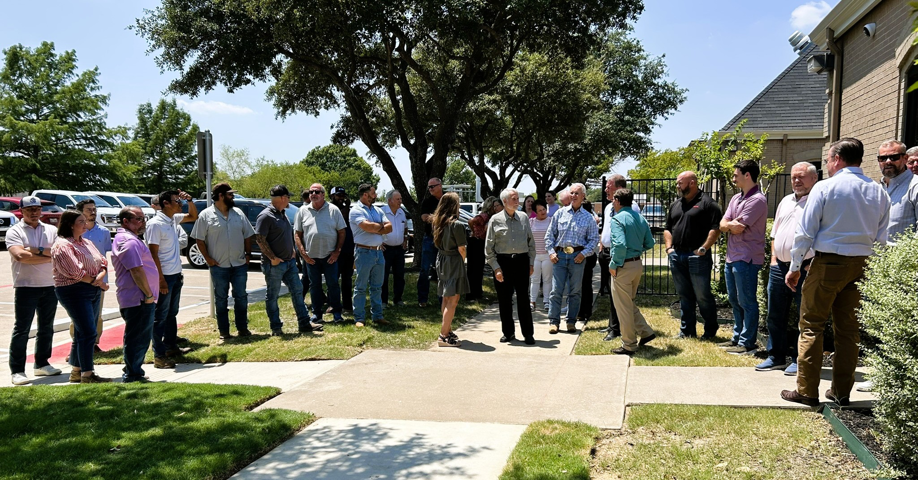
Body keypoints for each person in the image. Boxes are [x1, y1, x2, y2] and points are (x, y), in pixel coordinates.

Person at [781, 138, 890, 407]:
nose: (827, 165)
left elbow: (805, 232)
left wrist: (794, 268)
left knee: (811, 326)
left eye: (828, 160)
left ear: (837, 159)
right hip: (861, 264)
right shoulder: (878, 191)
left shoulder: (826, 187)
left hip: (829, 263)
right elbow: (882, 236)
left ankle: (807, 390)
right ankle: (841, 392)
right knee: (848, 332)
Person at [756, 162, 818, 374]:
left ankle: (799, 359)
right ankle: (776, 356)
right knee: (775, 313)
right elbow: (775, 232)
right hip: (779, 267)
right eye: (793, 177)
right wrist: (774, 257)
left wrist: (811, 262)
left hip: (806, 268)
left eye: (801, 177)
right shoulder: (785, 201)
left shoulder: (818, 201)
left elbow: (823, 234)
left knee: (804, 315)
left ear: (814, 178)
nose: (796, 181)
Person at [52, 209, 110, 383]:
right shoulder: (62, 245)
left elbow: (103, 261)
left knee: (81, 332)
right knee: (88, 332)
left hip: (92, 288)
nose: (85, 225)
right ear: (70, 225)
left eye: (85, 221)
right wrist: (97, 281)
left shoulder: (85, 242)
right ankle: (87, 374)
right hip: (74, 291)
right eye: (81, 222)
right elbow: (74, 272)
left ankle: (77, 371)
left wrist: (99, 279)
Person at [7, 196, 61, 385]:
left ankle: (41, 363)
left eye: (37, 209)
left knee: (46, 327)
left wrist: (34, 250)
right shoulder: (15, 231)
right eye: (29, 209)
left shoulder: (51, 230)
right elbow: (20, 255)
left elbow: (58, 252)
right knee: (22, 329)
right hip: (26, 286)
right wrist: (47, 254)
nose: (34, 212)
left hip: (50, 285)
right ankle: (17, 370)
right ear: (21, 211)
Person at [191, 182, 256, 340]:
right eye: (230, 194)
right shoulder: (206, 215)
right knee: (221, 299)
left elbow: (248, 235)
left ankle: (242, 328)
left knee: (241, 297)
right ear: (220, 196)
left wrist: (248, 255)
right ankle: (224, 332)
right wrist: (208, 259)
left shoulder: (238, 213)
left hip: (239, 264)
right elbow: (199, 239)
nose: (233, 197)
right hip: (219, 266)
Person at [664, 171, 722, 339]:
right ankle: (687, 331)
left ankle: (710, 330)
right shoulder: (676, 205)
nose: (677, 186)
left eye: (680, 183)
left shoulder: (708, 204)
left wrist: (703, 248)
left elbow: (715, 228)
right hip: (677, 255)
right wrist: (669, 249)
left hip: (698, 257)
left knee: (702, 295)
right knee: (684, 295)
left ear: (692, 183)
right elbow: (668, 228)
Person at [718, 160, 767, 355]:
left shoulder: (757, 200)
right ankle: (737, 338)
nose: (733, 178)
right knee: (734, 300)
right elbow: (724, 224)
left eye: (736, 174)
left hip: (747, 258)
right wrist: (729, 225)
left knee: (747, 301)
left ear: (748, 175)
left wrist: (728, 225)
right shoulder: (736, 199)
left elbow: (738, 228)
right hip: (732, 257)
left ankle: (748, 342)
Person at [145, 190, 197, 364]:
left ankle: (170, 346)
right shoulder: (155, 224)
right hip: (164, 276)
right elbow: (153, 255)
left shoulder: (173, 220)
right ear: (166, 203)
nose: (179, 203)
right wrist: (160, 280)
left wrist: (189, 199)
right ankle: (159, 355)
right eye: (177, 200)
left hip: (176, 274)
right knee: (160, 316)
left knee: (171, 313)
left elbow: (193, 216)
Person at [263, 185, 323, 334]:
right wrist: (273, 258)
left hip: (289, 263)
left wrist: (292, 252)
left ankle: (304, 323)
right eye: (288, 197)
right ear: (283, 198)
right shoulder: (265, 216)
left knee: (297, 291)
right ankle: (276, 327)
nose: (289, 200)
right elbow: (259, 239)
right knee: (272, 295)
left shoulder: (282, 214)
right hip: (275, 265)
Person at [112, 206, 159, 379]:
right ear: (126, 221)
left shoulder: (131, 239)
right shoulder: (128, 241)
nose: (143, 223)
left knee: (138, 336)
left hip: (139, 298)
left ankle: (132, 370)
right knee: (137, 338)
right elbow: (136, 271)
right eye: (138, 219)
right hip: (138, 298)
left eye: (143, 218)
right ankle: (133, 374)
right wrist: (148, 294)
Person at [545, 183, 599, 334]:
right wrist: (551, 252)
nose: (574, 196)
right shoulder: (560, 214)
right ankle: (554, 322)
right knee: (556, 290)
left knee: (575, 291)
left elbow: (594, 240)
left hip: (577, 257)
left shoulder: (588, 218)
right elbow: (550, 235)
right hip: (560, 256)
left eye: (577, 193)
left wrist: (584, 254)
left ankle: (571, 321)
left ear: (583, 197)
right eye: (572, 193)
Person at [608, 189, 657, 355]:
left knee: (623, 308)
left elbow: (620, 245)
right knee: (628, 303)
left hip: (623, 266)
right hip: (637, 265)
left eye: (613, 199)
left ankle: (629, 344)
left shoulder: (617, 219)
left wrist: (614, 263)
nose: (612, 202)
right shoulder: (640, 218)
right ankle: (646, 332)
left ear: (618, 200)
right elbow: (650, 243)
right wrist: (637, 250)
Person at [485, 188, 536, 344]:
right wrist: (496, 268)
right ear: (505, 201)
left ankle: (528, 333)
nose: (517, 201)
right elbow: (489, 248)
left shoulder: (523, 218)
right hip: (503, 263)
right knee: (505, 300)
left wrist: (531, 262)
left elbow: (531, 243)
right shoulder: (495, 220)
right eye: (513, 199)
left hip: (521, 262)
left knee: (523, 298)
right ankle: (508, 333)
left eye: (517, 198)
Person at [294, 183, 344, 326]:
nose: (313, 194)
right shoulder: (302, 211)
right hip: (311, 258)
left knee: (333, 285)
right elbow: (297, 234)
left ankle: (337, 313)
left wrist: (337, 251)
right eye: (311, 192)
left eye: (317, 191)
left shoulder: (333, 210)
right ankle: (317, 314)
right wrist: (303, 253)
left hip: (330, 256)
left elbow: (342, 232)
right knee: (314, 286)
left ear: (323, 194)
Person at [599, 175, 641, 341]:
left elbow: (633, 231)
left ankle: (617, 329)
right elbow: (607, 228)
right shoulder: (609, 206)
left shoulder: (632, 207)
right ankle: (612, 325)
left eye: (608, 186)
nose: (605, 190)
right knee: (611, 292)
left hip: (620, 255)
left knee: (620, 294)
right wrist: (602, 243)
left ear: (618, 188)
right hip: (606, 253)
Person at [69, 199, 111, 352]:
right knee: (78, 316)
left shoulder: (104, 232)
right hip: (78, 280)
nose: (93, 212)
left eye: (94, 209)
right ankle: (77, 346)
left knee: (96, 315)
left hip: (99, 281)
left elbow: (104, 255)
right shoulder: (74, 232)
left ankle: (93, 344)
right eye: (89, 209)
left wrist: (102, 276)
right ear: (80, 211)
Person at [350, 184, 392, 327]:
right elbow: (367, 227)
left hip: (379, 252)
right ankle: (359, 318)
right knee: (361, 287)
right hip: (363, 252)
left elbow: (390, 227)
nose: (375, 195)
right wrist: (380, 226)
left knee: (377, 287)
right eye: (373, 193)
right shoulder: (355, 210)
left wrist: (375, 226)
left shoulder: (377, 209)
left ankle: (377, 316)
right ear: (366, 195)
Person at [433, 192, 469, 347]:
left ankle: (447, 330)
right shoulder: (457, 224)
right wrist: (463, 262)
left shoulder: (437, 222)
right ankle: (443, 335)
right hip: (453, 260)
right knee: (453, 299)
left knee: (446, 297)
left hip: (441, 259)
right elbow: (462, 248)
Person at [878, 140, 918, 244]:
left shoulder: (915, 186)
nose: (887, 161)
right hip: (874, 257)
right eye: (882, 158)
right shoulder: (877, 188)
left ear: (905, 159)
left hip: (902, 258)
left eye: (894, 157)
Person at [467, 196, 502, 302]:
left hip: (480, 242)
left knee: (478, 269)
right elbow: (471, 221)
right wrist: (475, 232)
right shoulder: (485, 216)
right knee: (474, 270)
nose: (495, 208)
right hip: (476, 242)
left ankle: (477, 294)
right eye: (494, 205)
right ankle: (472, 295)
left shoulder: (491, 217)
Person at [417, 178, 444, 307]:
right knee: (425, 269)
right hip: (430, 238)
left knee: (443, 270)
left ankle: (443, 300)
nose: (431, 189)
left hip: (446, 240)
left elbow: (455, 215)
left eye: (433, 186)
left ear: (440, 185)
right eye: (429, 187)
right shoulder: (427, 202)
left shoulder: (448, 200)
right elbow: (424, 217)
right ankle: (422, 299)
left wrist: (434, 218)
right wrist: (441, 218)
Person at [329, 187, 354, 313]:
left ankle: (347, 305)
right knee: (333, 279)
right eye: (338, 195)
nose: (341, 198)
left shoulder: (349, 210)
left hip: (348, 249)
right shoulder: (328, 210)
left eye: (343, 195)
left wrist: (347, 208)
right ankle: (333, 304)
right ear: (332, 196)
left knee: (347, 279)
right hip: (333, 249)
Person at [381, 190, 408, 306]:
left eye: (401, 199)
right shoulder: (382, 212)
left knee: (399, 275)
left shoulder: (401, 212)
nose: (400, 202)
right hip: (385, 249)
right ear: (390, 200)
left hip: (399, 249)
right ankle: (383, 301)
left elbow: (405, 227)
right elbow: (376, 229)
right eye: (398, 199)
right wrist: (378, 242)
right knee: (383, 276)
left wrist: (405, 239)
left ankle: (398, 299)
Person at [577, 199, 599, 322]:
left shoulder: (587, 219)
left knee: (582, 285)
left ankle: (582, 311)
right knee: (586, 285)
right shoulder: (592, 217)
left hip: (585, 255)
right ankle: (586, 311)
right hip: (589, 255)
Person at [529, 200, 552, 311]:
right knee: (534, 279)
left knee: (547, 279)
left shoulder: (551, 221)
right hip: (535, 255)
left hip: (548, 255)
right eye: (540, 210)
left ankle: (547, 301)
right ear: (535, 212)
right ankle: (532, 301)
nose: (543, 212)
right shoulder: (531, 222)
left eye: (544, 209)